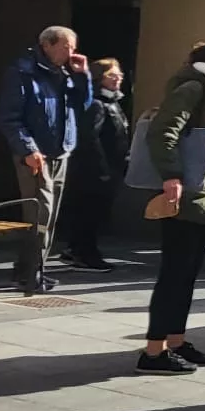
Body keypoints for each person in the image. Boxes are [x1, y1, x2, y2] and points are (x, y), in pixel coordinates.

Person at [137, 39, 205, 374]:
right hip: (185, 192)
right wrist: (171, 175)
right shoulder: (195, 86)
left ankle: (176, 341)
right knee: (174, 274)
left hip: (203, 193)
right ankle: (153, 352)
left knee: (187, 274)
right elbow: (163, 131)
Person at [0, 25, 91, 294]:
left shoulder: (64, 73)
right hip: (36, 154)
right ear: (47, 45)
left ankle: (30, 269)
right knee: (40, 214)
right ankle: (31, 273)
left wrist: (82, 76)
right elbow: (9, 118)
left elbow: (82, 105)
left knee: (50, 215)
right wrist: (27, 149)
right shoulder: (23, 72)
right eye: (66, 46)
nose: (71, 52)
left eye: (73, 46)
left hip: (61, 150)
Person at [60, 57, 129, 272]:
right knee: (90, 213)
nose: (118, 79)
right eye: (112, 75)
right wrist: (103, 170)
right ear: (99, 78)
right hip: (96, 172)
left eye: (120, 75)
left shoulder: (113, 102)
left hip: (110, 168)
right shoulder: (97, 104)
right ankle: (85, 253)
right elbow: (90, 138)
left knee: (94, 213)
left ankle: (77, 249)